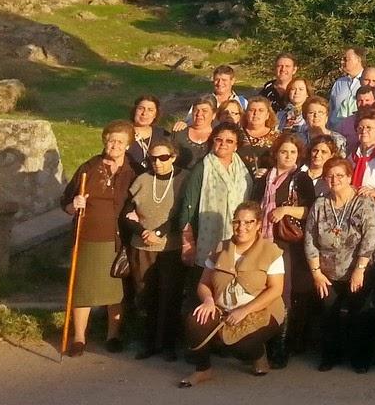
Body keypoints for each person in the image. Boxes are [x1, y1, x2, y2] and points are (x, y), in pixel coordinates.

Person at [180, 201, 285, 386]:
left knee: (241, 345)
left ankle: (258, 354)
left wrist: (245, 310)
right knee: (196, 321)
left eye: (248, 222)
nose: (241, 227)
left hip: (261, 311)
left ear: (259, 224)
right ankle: (203, 370)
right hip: (223, 309)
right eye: (237, 221)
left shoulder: (271, 251)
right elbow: (203, 283)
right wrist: (208, 300)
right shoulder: (221, 248)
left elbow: (276, 289)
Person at [61, 121, 136, 356]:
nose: (114, 145)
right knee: (83, 288)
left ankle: (113, 335)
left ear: (128, 145)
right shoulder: (89, 168)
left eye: (120, 142)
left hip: (118, 239)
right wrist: (74, 205)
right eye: (111, 140)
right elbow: (65, 200)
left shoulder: (134, 171)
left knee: (115, 290)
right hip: (88, 237)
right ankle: (79, 338)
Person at [304, 158, 375, 372]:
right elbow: (310, 237)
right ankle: (331, 355)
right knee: (329, 311)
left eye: (340, 175)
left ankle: (359, 357)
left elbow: (370, 237)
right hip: (327, 272)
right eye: (330, 175)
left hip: (359, 269)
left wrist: (359, 270)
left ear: (349, 177)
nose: (334, 179)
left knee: (360, 313)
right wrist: (316, 273)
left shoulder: (363, 203)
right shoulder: (320, 204)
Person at [254, 133, 315, 366]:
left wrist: (285, 211)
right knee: (262, 291)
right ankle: (261, 344)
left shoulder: (301, 179)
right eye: (284, 151)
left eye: (292, 152)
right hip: (262, 242)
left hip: (285, 244)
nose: (288, 156)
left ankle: (281, 348)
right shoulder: (263, 177)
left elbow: (309, 209)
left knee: (283, 294)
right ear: (276, 153)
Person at [124, 139, 186, 360]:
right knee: (145, 295)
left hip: (170, 247)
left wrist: (159, 232)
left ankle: (168, 345)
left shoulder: (183, 179)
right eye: (153, 158)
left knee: (170, 296)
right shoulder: (142, 179)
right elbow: (127, 213)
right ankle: (148, 343)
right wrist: (142, 230)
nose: (158, 162)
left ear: (173, 157)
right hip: (142, 246)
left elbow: (182, 213)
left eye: (163, 158)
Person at [178, 123, 252, 271]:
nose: (223, 144)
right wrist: (188, 242)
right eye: (219, 140)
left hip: (240, 234)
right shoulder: (202, 168)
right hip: (208, 237)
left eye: (229, 141)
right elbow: (189, 204)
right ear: (213, 141)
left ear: (236, 146)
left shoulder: (244, 169)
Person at [239, 99, 280, 182]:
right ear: (246, 114)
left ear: (267, 115)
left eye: (261, 110)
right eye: (252, 110)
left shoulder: (277, 137)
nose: (256, 113)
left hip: (268, 182)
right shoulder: (237, 134)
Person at [171, 97, 216, 170]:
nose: (199, 114)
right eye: (196, 110)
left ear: (213, 114)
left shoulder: (218, 137)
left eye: (204, 111)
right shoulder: (179, 133)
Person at [127, 95, 168, 173]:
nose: (144, 113)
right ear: (134, 110)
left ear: (155, 114)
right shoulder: (122, 132)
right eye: (141, 108)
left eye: (150, 110)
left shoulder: (163, 135)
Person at [328, 46, 366, 120]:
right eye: (342, 59)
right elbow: (331, 108)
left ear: (358, 60)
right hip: (336, 129)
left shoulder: (372, 80)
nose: (342, 62)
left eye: (346, 59)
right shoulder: (339, 83)